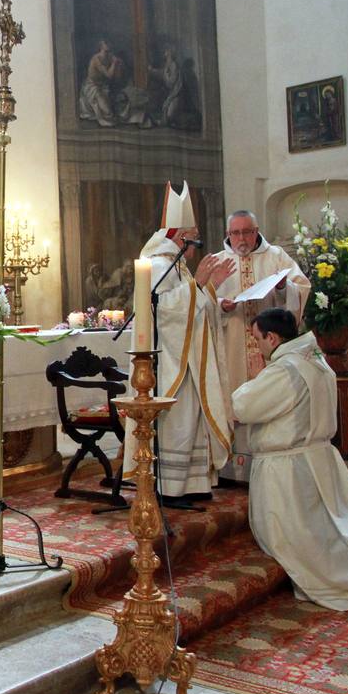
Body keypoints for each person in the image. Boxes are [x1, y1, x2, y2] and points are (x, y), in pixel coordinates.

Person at [233, 308, 348, 609]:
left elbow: (244, 407)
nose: (258, 347)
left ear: (272, 337)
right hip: (316, 458)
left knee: (302, 540)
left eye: (258, 340)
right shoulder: (316, 361)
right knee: (333, 526)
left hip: (289, 469)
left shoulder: (284, 370)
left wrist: (253, 378)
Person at [134, 181, 234, 506]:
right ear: (180, 237)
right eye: (193, 236)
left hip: (188, 358)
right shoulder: (160, 266)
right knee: (179, 420)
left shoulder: (176, 266)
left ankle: (192, 484)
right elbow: (164, 312)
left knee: (191, 419)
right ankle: (172, 488)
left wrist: (207, 288)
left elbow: (191, 306)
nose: (196, 244)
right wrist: (201, 285)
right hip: (171, 362)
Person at [212, 210, 311, 482]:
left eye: (246, 232)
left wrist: (282, 288)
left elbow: (301, 289)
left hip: (269, 345)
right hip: (232, 344)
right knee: (234, 399)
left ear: (256, 231)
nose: (241, 239)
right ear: (228, 234)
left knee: (269, 398)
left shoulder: (277, 257)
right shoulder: (218, 262)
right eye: (235, 233)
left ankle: (269, 467)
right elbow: (201, 299)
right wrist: (221, 303)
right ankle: (234, 471)